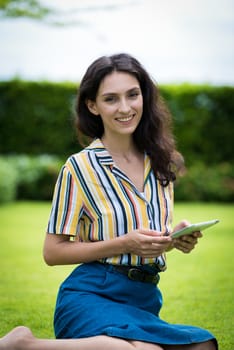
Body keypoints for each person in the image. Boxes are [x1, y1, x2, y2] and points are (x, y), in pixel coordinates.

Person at [0, 53, 218, 350]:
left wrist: (172, 239)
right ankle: (23, 344)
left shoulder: (161, 163)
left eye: (133, 95)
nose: (125, 108)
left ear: (145, 96)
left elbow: (143, 239)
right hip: (91, 294)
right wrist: (123, 244)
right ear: (93, 105)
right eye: (111, 99)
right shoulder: (79, 168)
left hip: (143, 299)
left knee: (203, 344)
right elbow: (52, 252)